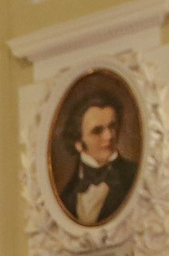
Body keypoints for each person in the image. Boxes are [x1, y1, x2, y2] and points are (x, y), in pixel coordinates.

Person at [57, 89, 138, 224]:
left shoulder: (134, 175)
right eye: (97, 131)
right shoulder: (65, 197)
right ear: (78, 143)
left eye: (112, 126)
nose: (109, 136)